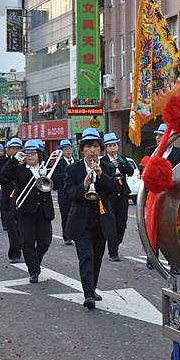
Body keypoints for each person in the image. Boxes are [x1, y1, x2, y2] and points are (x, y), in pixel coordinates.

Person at [64, 128, 118, 309]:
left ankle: (92, 288)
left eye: (96, 146)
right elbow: (69, 193)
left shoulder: (109, 167)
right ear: (82, 149)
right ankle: (88, 294)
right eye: (89, 146)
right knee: (86, 257)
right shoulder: (73, 169)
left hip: (102, 220)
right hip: (81, 221)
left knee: (97, 258)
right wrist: (84, 185)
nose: (93, 150)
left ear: (100, 149)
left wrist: (101, 175)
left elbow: (114, 189)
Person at [1, 139, 54, 283]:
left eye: (33, 153)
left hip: (44, 211)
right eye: (27, 153)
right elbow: (4, 175)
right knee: (27, 241)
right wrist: (14, 160)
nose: (30, 156)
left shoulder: (47, 169)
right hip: (25, 211)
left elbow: (59, 183)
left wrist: (47, 175)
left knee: (45, 241)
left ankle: (35, 261)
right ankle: (33, 270)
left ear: (39, 154)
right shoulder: (19, 169)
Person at [143, 123, 180, 274]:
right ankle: (151, 257)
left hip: (172, 197)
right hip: (153, 196)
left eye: (162, 135)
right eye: (157, 135)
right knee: (151, 226)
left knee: (171, 230)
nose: (158, 138)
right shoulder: (150, 151)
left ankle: (175, 263)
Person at [101, 133, 134, 262]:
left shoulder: (121, 158)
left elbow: (130, 172)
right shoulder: (103, 161)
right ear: (106, 148)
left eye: (114, 145)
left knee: (122, 224)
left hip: (122, 194)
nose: (113, 148)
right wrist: (111, 166)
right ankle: (112, 251)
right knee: (111, 224)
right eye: (110, 146)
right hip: (110, 195)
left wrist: (122, 164)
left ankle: (116, 244)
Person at [0, 138, 24, 263]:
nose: (17, 151)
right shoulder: (2, 162)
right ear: (9, 149)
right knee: (12, 229)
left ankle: (24, 247)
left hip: (22, 199)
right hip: (7, 199)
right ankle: (15, 252)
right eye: (14, 148)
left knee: (23, 228)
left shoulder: (25, 162)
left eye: (19, 148)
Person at [52, 139, 76, 245]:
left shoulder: (77, 161)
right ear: (61, 151)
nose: (68, 151)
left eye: (70, 148)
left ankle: (75, 235)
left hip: (75, 194)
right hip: (64, 195)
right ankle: (67, 237)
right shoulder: (58, 163)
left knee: (76, 215)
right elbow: (55, 178)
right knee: (65, 216)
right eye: (66, 149)